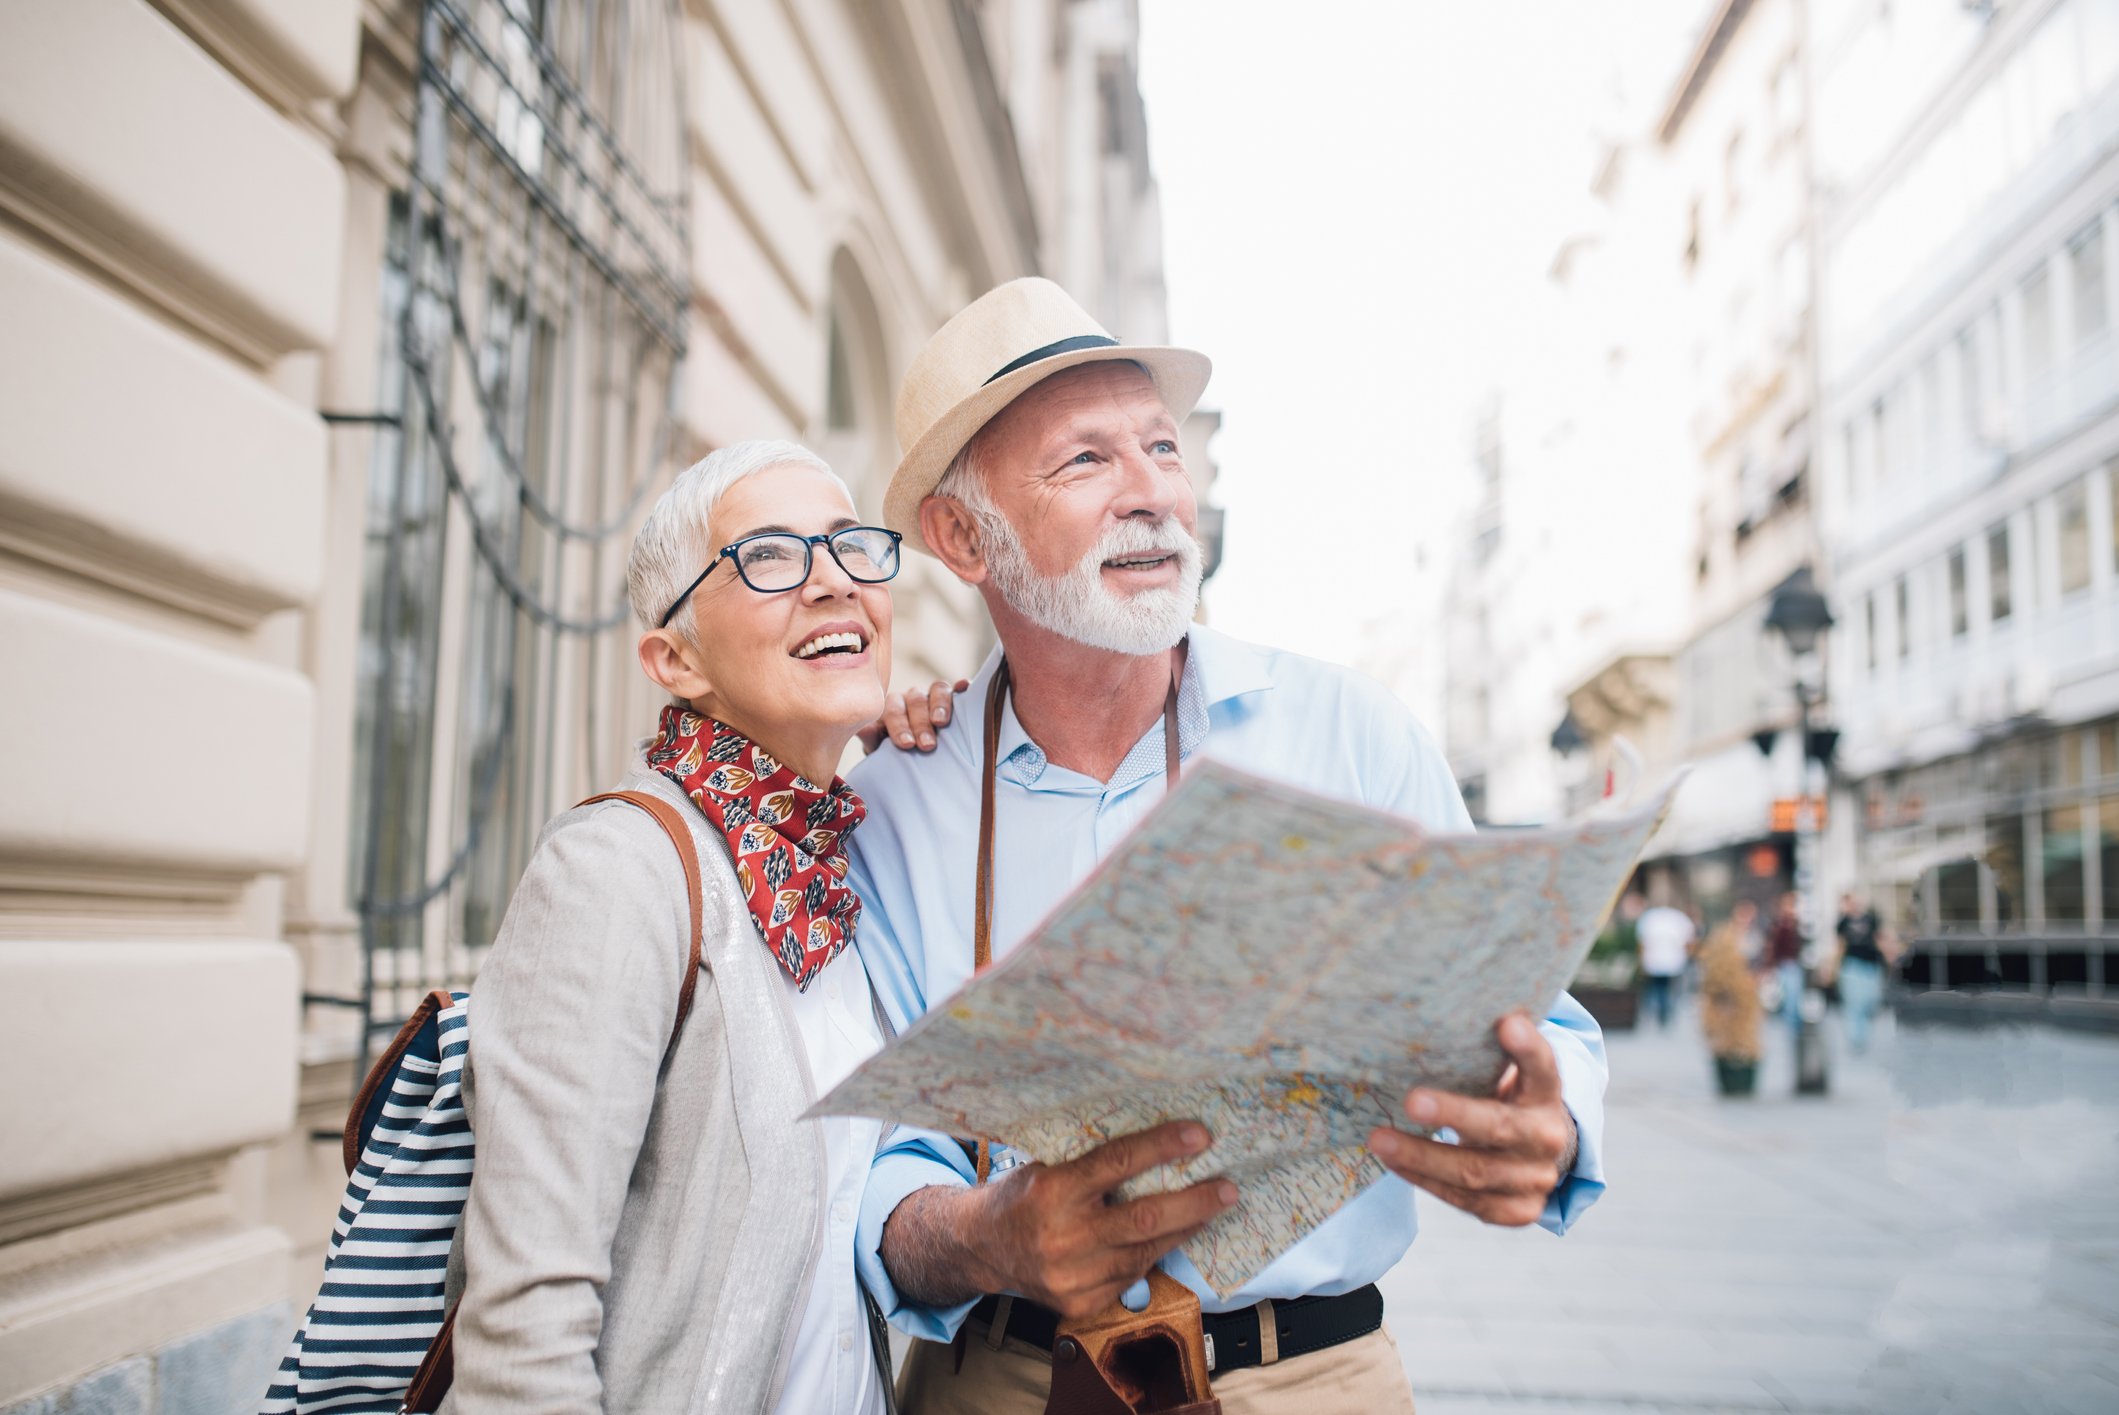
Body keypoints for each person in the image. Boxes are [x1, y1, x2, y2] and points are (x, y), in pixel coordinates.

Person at [846, 278, 1608, 1414]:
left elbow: (1532, 1019)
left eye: (1162, 446)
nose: (1152, 491)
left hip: (1314, 1378)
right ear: (963, 534)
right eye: (1087, 461)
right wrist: (986, 1235)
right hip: (998, 1378)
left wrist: (1546, 1114)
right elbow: (864, 1174)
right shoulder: (897, 799)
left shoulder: (1347, 732)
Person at [442, 441, 903, 1413]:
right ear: (674, 658)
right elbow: (523, 1330)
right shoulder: (617, 870)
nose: (833, 582)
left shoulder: (838, 880)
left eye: (851, 546)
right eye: (770, 557)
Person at [1835, 891, 1887, 1053]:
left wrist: (1889, 956)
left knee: (1870, 1002)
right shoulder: (1843, 922)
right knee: (1853, 1004)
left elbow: (1880, 938)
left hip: (1871, 965)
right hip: (1852, 965)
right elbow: (1839, 945)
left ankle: (1862, 1035)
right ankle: (1856, 1039)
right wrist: (1832, 968)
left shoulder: (1872, 919)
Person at [1635, 896, 1696, 1030]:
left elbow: (1642, 942)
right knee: (1668, 988)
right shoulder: (1678, 919)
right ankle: (1665, 1012)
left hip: (1656, 961)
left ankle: (1660, 1012)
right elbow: (1689, 941)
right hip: (1673, 961)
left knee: (1658, 988)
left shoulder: (1649, 919)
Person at [1764, 891, 1804, 1030]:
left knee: (1795, 1001)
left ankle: (1794, 1030)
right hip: (1784, 965)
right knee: (1788, 1001)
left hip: (1796, 965)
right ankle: (1789, 1030)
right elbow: (1772, 946)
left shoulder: (1798, 924)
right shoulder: (1779, 925)